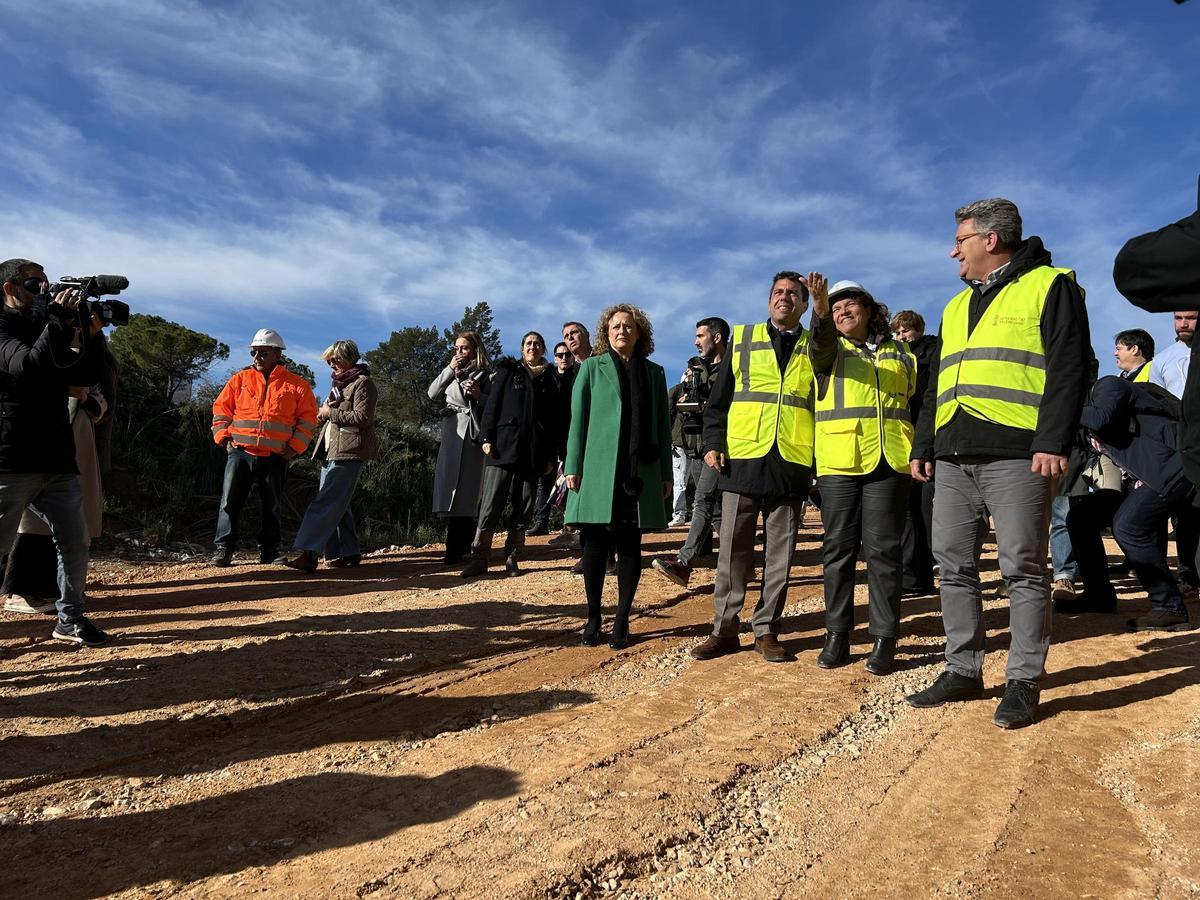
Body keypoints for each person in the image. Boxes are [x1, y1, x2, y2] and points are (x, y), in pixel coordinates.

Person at [906, 198, 1091, 729]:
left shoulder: (1050, 285)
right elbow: (938, 384)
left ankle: (1023, 680)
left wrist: (1053, 440)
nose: (952, 250)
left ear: (991, 240)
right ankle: (963, 668)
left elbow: (1069, 365)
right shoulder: (955, 306)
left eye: (960, 239)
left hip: (1019, 453)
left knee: (1022, 567)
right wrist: (926, 444)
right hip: (955, 454)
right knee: (953, 565)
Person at [690, 271, 817, 663]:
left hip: (792, 461)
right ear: (768, 301)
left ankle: (766, 630)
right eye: (779, 292)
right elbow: (718, 402)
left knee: (781, 555)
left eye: (794, 294)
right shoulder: (743, 339)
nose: (785, 298)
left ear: (805, 304)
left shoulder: (816, 347)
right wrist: (712, 444)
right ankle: (724, 629)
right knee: (732, 553)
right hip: (742, 461)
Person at [809, 280, 916, 675]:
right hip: (840, 462)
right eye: (834, 309)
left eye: (848, 304)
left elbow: (913, 401)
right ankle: (836, 634)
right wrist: (819, 310)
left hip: (891, 460)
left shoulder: (902, 352)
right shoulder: (826, 348)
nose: (841, 312)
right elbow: (819, 343)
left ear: (869, 309)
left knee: (884, 552)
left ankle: (884, 638)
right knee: (838, 550)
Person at [0, 258, 108, 645]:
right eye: (34, 284)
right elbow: (28, 366)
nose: (43, 291)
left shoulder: (44, 326)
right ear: (9, 288)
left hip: (56, 457)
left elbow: (82, 377)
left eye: (46, 284)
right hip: (11, 456)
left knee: (75, 540)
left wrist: (91, 334)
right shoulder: (3, 327)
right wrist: (56, 324)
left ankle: (70, 620)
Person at [564, 304, 671, 649]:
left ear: (640, 333)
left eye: (628, 326)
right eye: (615, 327)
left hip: (638, 470)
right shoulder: (592, 368)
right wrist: (572, 466)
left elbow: (662, 428)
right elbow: (577, 420)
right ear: (605, 333)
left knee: (629, 546)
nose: (621, 331)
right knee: (594, 546)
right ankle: (594, 616)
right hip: (597, 469)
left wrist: (666, 473)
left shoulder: (654, 373)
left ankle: (622, 618)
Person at [1063, 376, 1194, 630]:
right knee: (1080, 517)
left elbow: (1102, 418)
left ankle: (1168, 606)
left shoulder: (1109, 386)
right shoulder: (1080, 418)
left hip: (1171, 467)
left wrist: (1059, 408)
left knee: (1128, 525)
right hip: (1140, 477)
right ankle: (1098, 596)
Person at [210, 329, 319, 566]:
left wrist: (293, 449)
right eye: (254, 352)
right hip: (240, 452)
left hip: (275, 457)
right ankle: (223, 550)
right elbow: (221, 410)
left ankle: (269, 552)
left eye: (262, 352)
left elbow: (309, 419)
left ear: (277, 354)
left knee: (272, 506)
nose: (256, 357)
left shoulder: (297, 386)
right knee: (229, 502)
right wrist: (225, 439)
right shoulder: (239, 380)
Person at [461, 331, 559, 577]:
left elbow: (553, 422)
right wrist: (486, 437)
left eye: (537, 344)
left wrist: (549, 457)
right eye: (528, 343)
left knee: (524, 505)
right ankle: (479, 558)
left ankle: (512, 557)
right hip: (502, 447)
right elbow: (492, 404)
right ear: (522, 348)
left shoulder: (550, 379)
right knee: (491, 503)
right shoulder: (508, 370)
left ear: (543, 349)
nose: (532, 347)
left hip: (533, 452)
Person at [283, 341, 378, 572]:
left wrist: (329, 412)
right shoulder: (338, 385)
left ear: (349, 358)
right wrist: (322, 415)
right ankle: (345, 552)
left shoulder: (363, 383)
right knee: (338, 503)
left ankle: (308, 552)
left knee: (326, 502)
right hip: (331, 450)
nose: (331, 364)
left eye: (334, 359)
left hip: (350, 451)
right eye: (328, 360)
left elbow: (363, 418)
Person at [652, 317, 730, 586]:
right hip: (696, 445)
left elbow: (730, 409)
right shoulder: (700, 370)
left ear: (717, 338)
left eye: (701, 336)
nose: (696, 342)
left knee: (703, 502)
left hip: (718, 446)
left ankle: (684, 563)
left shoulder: (733, 369)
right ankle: (741, 561)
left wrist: (705, 404)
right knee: (715, 510)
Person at [428, 332, 489, 565]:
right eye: (456, 349)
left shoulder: (487, 374)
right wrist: (448, 369)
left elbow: (492, 403)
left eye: (464, 348)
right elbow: (432, 393)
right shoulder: (452, 373)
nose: (459, 353)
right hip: (451, 434)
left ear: (475, 350)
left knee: (466, 492)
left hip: (472, 434)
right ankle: (458, 547)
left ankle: (459, 547)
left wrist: (479, 395)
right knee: (448, 489)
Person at [891, 309, 937, 597]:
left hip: (927, 439)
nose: (901, 336)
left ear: (918, 329)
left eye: (905, 330)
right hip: (904, 440)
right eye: (897, 332)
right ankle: (913, 578)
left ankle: (928, 572)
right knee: (909, 513)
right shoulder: (896, 357)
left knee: (925, 512)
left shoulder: (933, 352)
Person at [550, 322, 593, 554]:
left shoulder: (604, 362)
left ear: (587, 335)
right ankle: (587, 548)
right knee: (576, 490)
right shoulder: (569, 375)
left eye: (574, 333)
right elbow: (564, 414)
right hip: (575, 442)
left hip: (601, 440)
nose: (570, 338)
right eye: (566, 335)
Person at [528, 341, 575, 536]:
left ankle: (571, 525)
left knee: (572, 479)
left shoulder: (579, 376)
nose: (564, 358)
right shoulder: (546, 377)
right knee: (545, 480)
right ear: (555, 357)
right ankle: (541, 522)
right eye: (560, 355)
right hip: (549, 437)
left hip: (571, 435)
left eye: (567, 355)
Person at [1147, 310, 1196, 398]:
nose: (1183, 325)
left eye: (1191, 318)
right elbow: (1158, 401)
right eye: (1178, 318)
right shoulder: (1160, 360)